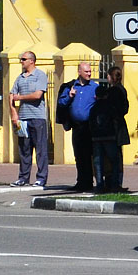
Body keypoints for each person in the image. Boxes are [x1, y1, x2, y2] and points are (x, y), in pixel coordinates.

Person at [9, 51, 49, 187]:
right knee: (24, 149)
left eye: (24, 59)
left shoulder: (40, 75)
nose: (21, 61)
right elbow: (11, 94)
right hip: (23, 118)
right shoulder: (20, 78)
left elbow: (38, 95)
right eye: (21, 59)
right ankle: (23, 177)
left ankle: (41, 178)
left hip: (37, 118)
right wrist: (14, 113)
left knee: (40, 149)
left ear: (32, 61)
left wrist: (20, 98)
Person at [58, 61, 100, 191]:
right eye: (86, 71)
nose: (89, 74)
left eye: (90, 71)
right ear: (79, 72)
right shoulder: (71, 86)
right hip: (77, 127)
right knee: (79, 155)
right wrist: (69, 96)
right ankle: (81, 181)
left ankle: (92, 182)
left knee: (90, 155)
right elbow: (61, 103)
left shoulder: (94, 87)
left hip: (89, 127)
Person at [89, 84, 120, 193]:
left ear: (96, 96)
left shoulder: (93, 108)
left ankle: (99, 185)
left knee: (98, 162)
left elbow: (91, 123)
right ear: (106, 95)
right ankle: (114, 184)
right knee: (114, 161)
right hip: (109, 137)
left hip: (96, 138)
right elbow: (115, 120)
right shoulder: (110, 107)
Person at [106, 66, 131, 192]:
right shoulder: (122, 89)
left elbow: (112, 109)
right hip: (119, 126)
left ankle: (114, 183)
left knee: (113, 157)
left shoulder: (113, 91)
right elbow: (126, 107)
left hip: (113, 128)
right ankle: (116, 182)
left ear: (111, 77)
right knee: (117, 157)